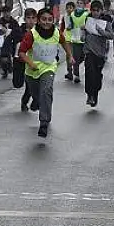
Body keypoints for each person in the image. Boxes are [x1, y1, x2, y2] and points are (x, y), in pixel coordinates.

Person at [19, 8, 73, 137]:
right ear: (38, 20)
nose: (46, 22)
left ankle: (44, 122)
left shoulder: (56, 32)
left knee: (46, 91)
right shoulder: (31, 34)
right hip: (32, 71)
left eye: (50, 20)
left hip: (48, 68)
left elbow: (64, 42)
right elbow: (21, 52)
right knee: (37, 94)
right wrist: (30, 63)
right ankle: (37, 101)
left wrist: (70, 55)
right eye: (43, 19)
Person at [82, 1, 114, 106]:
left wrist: (102, 32)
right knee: (89, 73)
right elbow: (84, 33)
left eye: (97, 10)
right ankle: (89, 95)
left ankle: (94, 95)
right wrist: (83, 33)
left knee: (96, 76)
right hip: (89, 51)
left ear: (101, 11)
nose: (95, 13)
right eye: (93, 10)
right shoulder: (88, 19)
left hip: (100, 53)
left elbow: (111, 35)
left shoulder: (106, 21)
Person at [66, 0, 89, 83]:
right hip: (75, 39)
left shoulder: (87, 14)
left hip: (84, 39)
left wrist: (85, 26)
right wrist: (69, 27)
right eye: (78, 3)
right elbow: (71, 24)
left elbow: (89, 24)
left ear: (84, 5)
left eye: (81, 3)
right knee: (76, 58)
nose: (79, 4)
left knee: (82, 58)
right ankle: (76, 75)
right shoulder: (72, 14)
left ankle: (75, 67)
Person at [0, 6, 20, 79]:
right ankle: (5, 70)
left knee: (12, 57)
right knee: (3, 59)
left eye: (8, 12)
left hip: (12, 42)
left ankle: (11, 68)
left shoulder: (14, 22)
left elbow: (18, 32)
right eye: (5, 12)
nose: (7, 14)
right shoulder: (0, 21)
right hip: (2, 42)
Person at [59, 2, 76, 79]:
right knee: (68, 55)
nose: (69, 9)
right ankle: (69, 71)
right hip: (67, 38)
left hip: (76, 38)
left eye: (71, 8)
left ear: (73, 9)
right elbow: (62, 26)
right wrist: (61, 34)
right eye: (67, 8)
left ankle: (76, 71)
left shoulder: (76, 17)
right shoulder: (64, 17)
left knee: (75, 55)